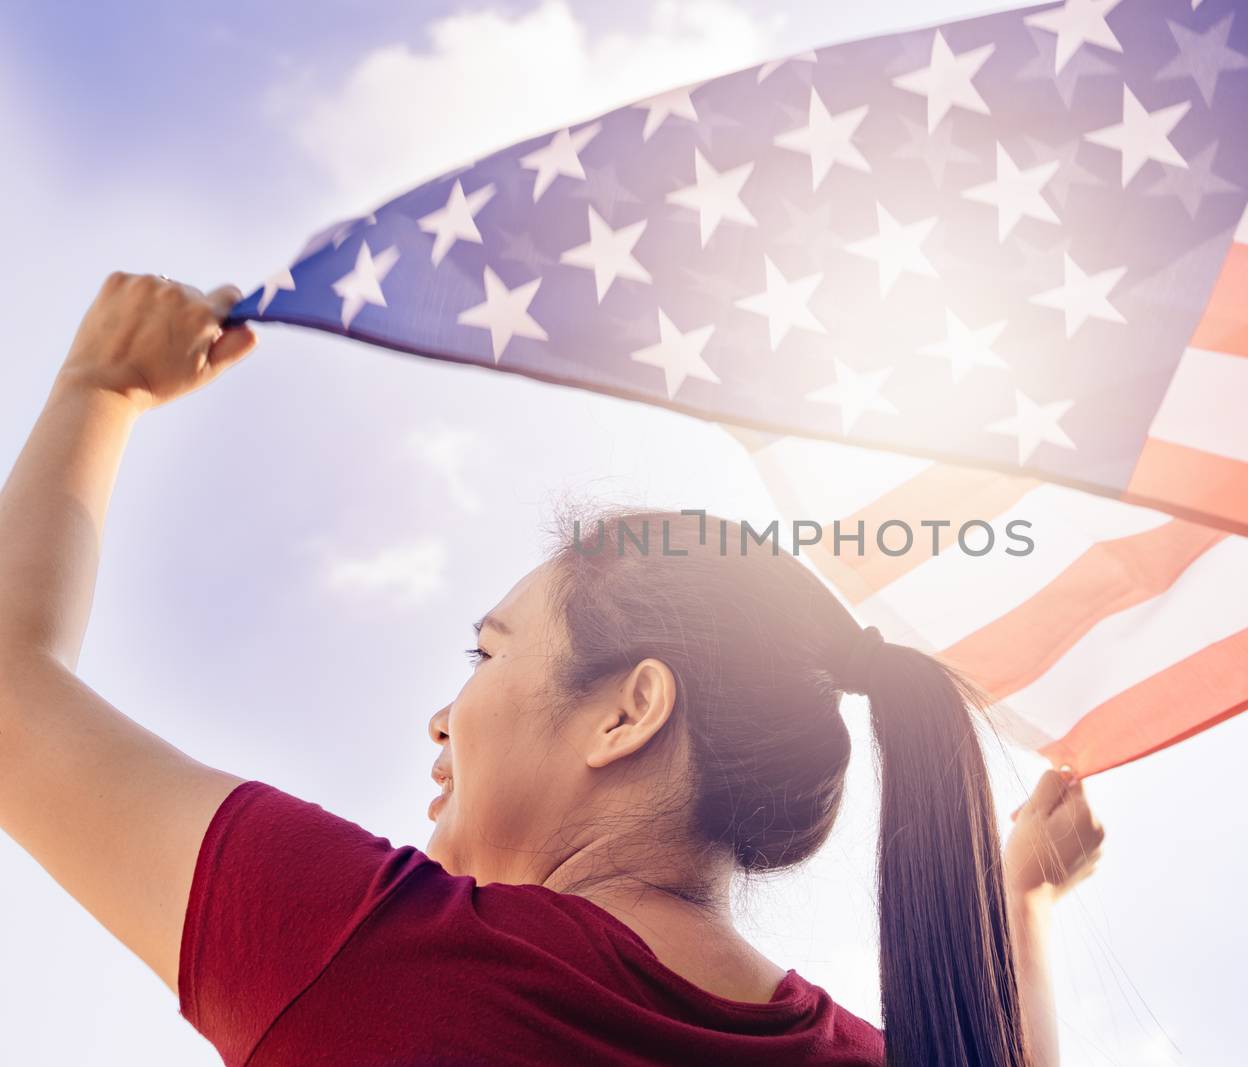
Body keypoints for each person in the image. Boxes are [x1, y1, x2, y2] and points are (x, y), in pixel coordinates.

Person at [0, 274, 1105, 1066]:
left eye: (487, 651)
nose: (441, 718)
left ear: (629, 710)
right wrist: (1019, 910)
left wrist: (101, 385)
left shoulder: (375, 949)